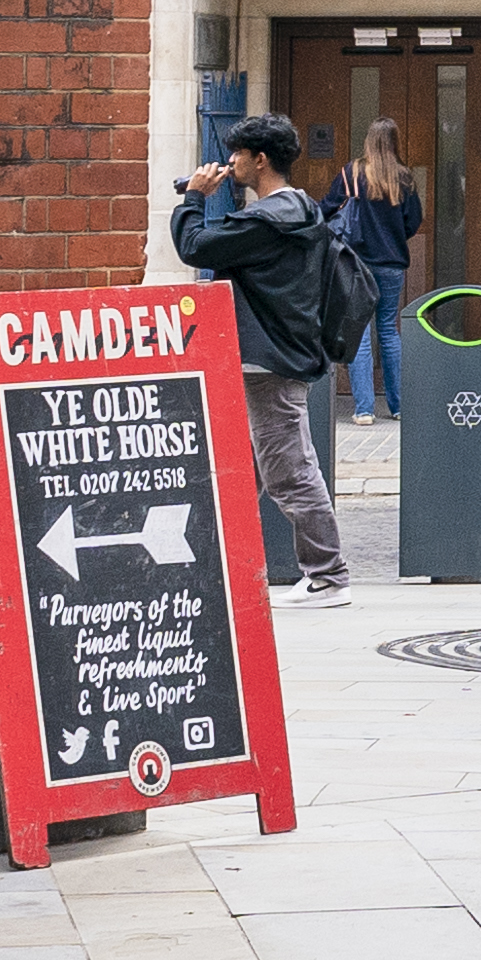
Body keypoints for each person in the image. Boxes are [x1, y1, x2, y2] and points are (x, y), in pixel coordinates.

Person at [171, 116, 353, 600]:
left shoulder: (269, 221)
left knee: (289, 472)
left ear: (260, 160)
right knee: (245, 468)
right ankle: (211, 566)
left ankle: (329, 576)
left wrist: (194, 198)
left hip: (268, 359)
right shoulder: (299, 211)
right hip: (278, 352)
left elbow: (195, 247)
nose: (230, 163)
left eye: (238, 155)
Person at [334, 121, 423, 425]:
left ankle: (364, 410)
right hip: (392, 264)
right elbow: (413, 221)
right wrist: (394, 238)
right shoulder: (404, 177)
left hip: (357, 263)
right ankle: (398, 406)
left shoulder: (352, 174)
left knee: (358, 333)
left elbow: (328, 208)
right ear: (394, 142)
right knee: (387, 329)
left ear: (368, 141)